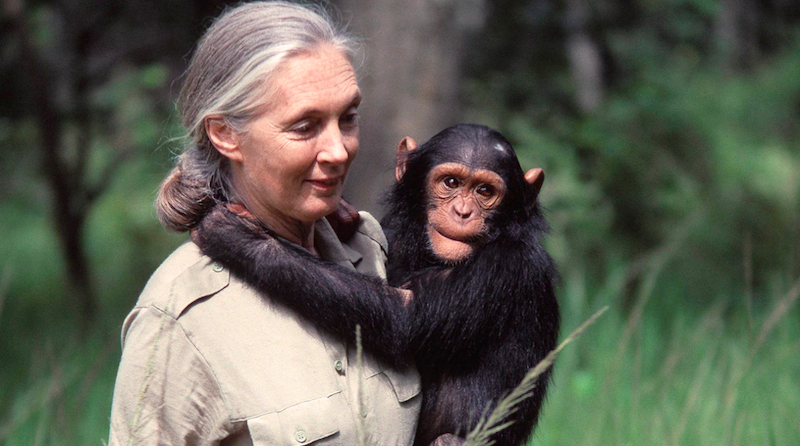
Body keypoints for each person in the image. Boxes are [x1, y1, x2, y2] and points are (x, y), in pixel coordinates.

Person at [107, 2, 421, 444]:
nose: (339, 150)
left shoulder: (372, 248)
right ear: (225, 134)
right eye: (305, 126)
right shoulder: (179, 317)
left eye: (348, 118)